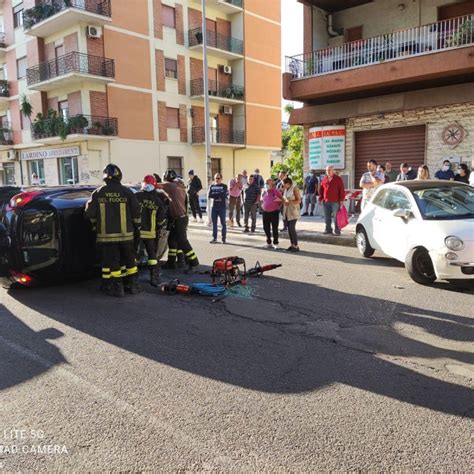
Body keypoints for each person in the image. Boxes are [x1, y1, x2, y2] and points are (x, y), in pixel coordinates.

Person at [85, 164, 141, 297]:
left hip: (106, 237)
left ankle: (117, 288)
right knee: (129, 261)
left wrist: (95, 225)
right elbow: (137, 211)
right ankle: (132, 285)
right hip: (127, 235)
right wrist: (136, 226)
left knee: (113, 262)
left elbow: (89, 213)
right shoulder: (127, 192)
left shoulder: (98, 192)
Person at [159, 169, 199, 271]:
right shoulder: (179, 186)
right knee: (172, 240)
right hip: (179, 218)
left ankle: (194, 262)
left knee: (182, 241)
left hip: (179, 218)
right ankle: (171, 262)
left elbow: (156, 185)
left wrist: (145, 183)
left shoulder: (170, 185)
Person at [135, 175, 166, 287]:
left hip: (136, 232)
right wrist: (158, 227)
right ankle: (154, 278)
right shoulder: (157, 200)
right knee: (152, 256)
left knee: (133, 255)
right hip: (150, 233)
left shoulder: (136, 196)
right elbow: (161, 219)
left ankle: (132, 279)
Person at [319, 165, 346, 236]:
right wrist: (320, 198)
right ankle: (328, 229)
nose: (327, 172)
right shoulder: (324, 179)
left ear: (333, 171)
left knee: (336, 217)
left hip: (335, 201)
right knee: (327, 217)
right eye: (327, 170)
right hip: (326, 201)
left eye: (329, 170)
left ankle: (337, 231)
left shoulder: (338, 179)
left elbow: (342, 190)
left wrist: (341, 200)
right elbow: (321, 189)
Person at [261, 178, 282, 249]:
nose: (267, 185)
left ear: (272, 184)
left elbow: (282, 200)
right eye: (266, 183)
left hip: (274, 212)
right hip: (265, 212)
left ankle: (276, 243)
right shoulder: (264, 192)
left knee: (274, 228)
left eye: (269, 183)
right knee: (266, 228)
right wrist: (262, 206)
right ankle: (269, 242)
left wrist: (278, 206)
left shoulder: (276, 191)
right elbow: (262, 200)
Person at [282, 177, 301, 252]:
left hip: (293, 211)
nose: (283, 185)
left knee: (292, 228)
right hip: (287, 211)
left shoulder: (295, 189)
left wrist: (290, 202)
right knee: (289, 229)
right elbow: (285, 198)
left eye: (284, 184)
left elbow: (299, 200)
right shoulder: (286, 189)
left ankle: (296, 246)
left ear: (288, 183)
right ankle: (292, 244)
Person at [208, 173, 228, 244]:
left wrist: (215, 195)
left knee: (223, 223)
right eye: (216, 178)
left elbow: (223, 195)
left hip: (222, 207)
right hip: (214, 207)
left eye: (218, 178)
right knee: (214, 224)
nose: (217, 180)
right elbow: (209, 195)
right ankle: (214, 238)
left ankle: (223, 238)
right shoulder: (211, 186)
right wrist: (218, 195)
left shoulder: (224, 186)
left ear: (221, 179)